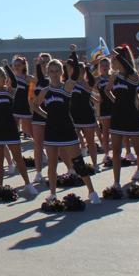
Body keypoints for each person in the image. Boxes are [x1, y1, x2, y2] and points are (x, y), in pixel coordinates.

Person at [34, 58, 98, 203]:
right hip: (51, 130)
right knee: (52, 164)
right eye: (51, 71)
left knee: (78, 161)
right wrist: (46, 116)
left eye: (57, 71)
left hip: (67, 129)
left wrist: (74, 55)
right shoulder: (45, 91)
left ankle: (92, 192)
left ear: (62, 72)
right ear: (47, 72)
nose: (54, 74)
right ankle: (53, 194)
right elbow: (35, 105)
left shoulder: (66, 87)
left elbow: (75, 74)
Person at [0, 63, 36, 196]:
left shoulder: (9, 91)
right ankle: (0, 186)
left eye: (4, 76)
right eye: (0, 77)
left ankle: (28, 184)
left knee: (18, 158)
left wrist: (6, 67)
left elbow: (14, 81)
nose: (3, 79)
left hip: (11, 128)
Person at [106, 46, 139, 191]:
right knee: (115, 151)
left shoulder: (134, 76)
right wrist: (115, 101)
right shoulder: (114, 76)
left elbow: (129, 69)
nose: (113, 61)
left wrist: (120, 55)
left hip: (131, 115)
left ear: (123, 60)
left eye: (116, 59)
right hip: (117, 115)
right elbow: (107, 90)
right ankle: (116, 182)